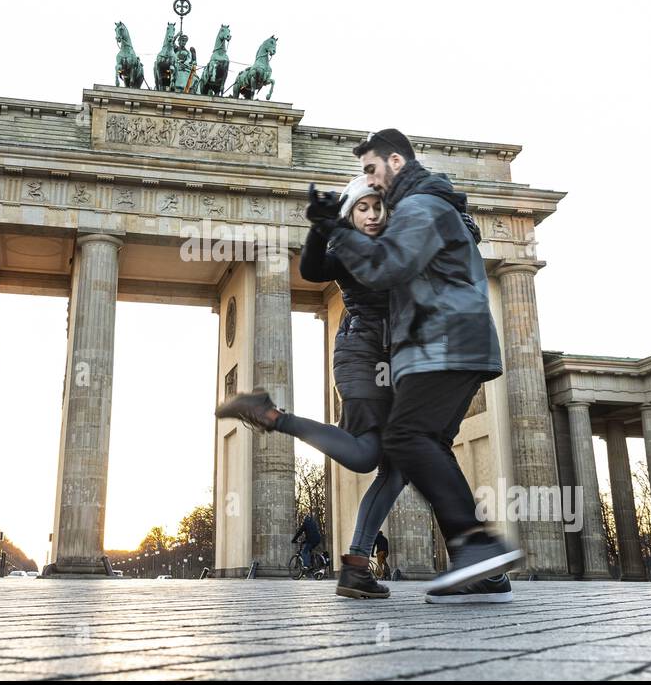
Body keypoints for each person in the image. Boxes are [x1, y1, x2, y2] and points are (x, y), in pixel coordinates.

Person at [218, 170, 511, 603]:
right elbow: (315, 268)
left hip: (400, 358)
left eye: (379, 207)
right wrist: (323, 227)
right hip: (362, 353)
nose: (373, 214)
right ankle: (273, 416)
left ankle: (358, 567)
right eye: (362, 207)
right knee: (368, 454)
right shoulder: (353, 246)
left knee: (398, 465)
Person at [327, 128, 522, 600]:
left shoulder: (418, 213)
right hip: (409, 355)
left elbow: (395, 269)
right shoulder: (409, 220)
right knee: (413, 453)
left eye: (375, 196)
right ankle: (478, 560)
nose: (373, 211)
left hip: (439, 349)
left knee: (407, 449)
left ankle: (475, 554)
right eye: (364, 207)